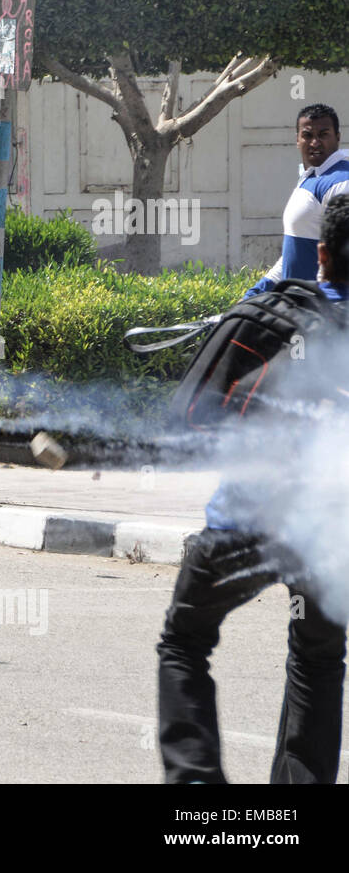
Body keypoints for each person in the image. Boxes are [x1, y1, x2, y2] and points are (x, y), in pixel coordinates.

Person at [156, 193, 349, 783]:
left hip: (243, 522)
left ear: (320, 254)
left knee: (185, 643)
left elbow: (183, 422)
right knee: (317, 659)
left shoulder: (263, 318)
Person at [245, 103, 349, 298]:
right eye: (308, 135)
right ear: (297, 140)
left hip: (324, 318)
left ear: (338, 137)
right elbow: (295, 254)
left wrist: (330, 307)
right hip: (300, 311)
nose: (315, 142)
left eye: (323, 134)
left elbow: (342, 258)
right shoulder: (311, 178)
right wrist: (260, 290)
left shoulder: (342, 182)